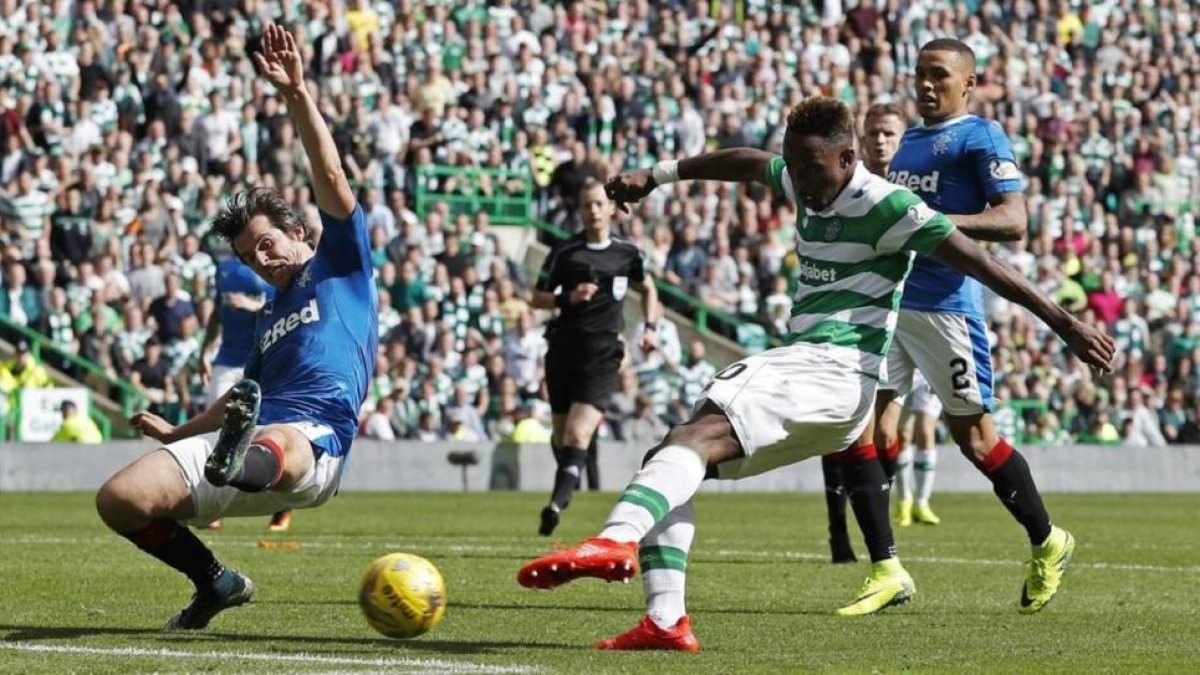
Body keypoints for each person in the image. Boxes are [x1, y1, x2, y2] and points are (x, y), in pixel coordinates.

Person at [515, 96, 1113, 651]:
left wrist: (1067, 325)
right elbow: (748, 162)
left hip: (831, 366)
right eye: (794, 165)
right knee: (673, 458)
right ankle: (666, 620)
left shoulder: (889, 206)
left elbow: (983, 264)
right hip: (833, 401)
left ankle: (615, 536)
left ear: (848, 158)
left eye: (812, 167)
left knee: (690, 440)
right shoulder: (802, 178)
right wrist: (659, 174)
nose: (799, 179)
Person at [93, 24, 378, 631]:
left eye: (267, 244)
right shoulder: (269, 315)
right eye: (251, 257)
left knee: (283, 444)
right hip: (249, 433)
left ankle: (238, 462)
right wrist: (177, 430)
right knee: (119, 501)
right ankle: (216, 582)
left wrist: (297, 95)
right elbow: (237, 397)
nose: (263, 260)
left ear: (298, 232)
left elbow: (330, 177)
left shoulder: (342, 266)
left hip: (313, 444)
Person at [871, 39, 1071, 614]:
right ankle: (886, 567)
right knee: (871, 431)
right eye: (919, 75)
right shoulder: (907, 141)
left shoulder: (980, 136)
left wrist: (931, 222)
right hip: (893, 305)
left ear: (969, 83)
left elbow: (1013, 221)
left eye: (939, 76)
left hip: (947, 309)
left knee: (975, 440)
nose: (926, 85)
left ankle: (1047, 540)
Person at [530, 176, 659, 536]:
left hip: (602, 354)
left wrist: (650, 327)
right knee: (561, 438)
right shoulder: (564, 252)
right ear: (580, 210)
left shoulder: (628, 253)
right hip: (562, 351)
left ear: (611, 208)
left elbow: (648, 289)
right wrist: (565, 299)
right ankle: (569, 480)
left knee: (576, 433)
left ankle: (555, 504)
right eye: (587, 205)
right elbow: (536, 297)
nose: (593, 211)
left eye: (599, 204)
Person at [821, 101, 906, 565]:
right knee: (847, 427)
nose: (880, 141)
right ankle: (840, 532)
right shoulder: (847, 185)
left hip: (903, 319)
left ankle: (874, 518)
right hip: (854, 320)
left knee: (889, 434)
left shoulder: (914, 187)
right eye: (872, 133)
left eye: (889, 134)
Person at [196, 254, 292, 533]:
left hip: (262, 358)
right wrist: (205, 351)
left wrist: (250, 304)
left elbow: (281, 308)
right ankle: (212, 508)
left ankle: (281, 507)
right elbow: (217, 312)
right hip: (226, 359)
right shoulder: (223, 268)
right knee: (216, 431)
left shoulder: (268, 266)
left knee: (267, 433)